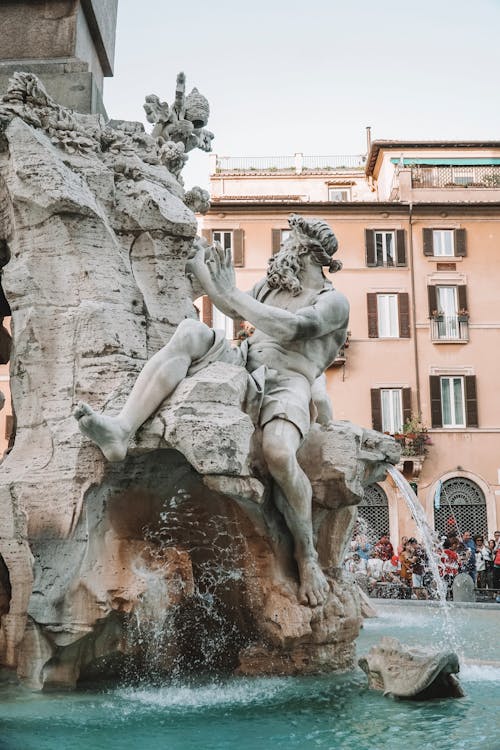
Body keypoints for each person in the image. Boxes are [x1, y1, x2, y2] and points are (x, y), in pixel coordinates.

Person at [74, 214, 349, 608]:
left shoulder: (331, 301)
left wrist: (233, 295)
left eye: (288, 243)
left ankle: (306, 556)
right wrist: (201, 267)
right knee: (190, 332)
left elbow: (290, 329)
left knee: (278, 453)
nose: (281, 249)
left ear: (305, 251)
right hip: (244, 360)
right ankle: (121, 428)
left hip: (289, 382)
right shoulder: (274, 286)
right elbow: (232, 307)